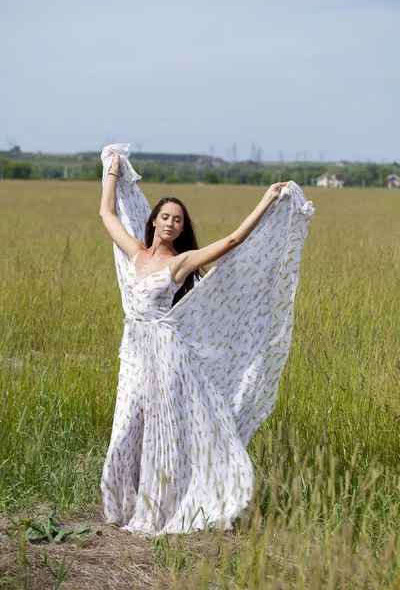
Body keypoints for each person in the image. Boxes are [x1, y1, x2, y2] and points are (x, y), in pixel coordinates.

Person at [99, 143, 315, 537]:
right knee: (127, 424)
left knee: (162, 430)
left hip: (165, 354)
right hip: (134, 352)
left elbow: (231, 242)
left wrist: (267, 199)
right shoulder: (135, 253)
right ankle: (125, 501)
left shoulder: (179, 262)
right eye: (165, 217)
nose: (170, 224)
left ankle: (161, 506)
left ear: (182, 229)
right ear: (153, 222)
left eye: (177, 220)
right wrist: (112, 166)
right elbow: (106, 213)